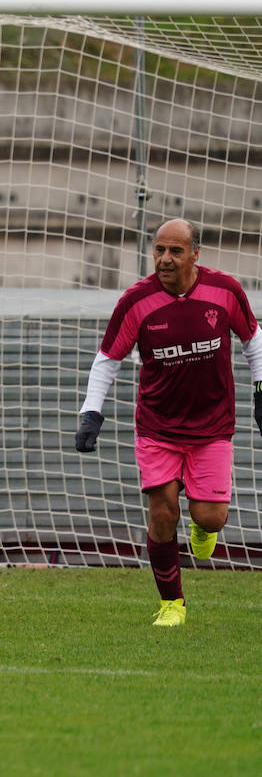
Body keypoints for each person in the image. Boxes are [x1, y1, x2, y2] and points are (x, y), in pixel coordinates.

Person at [75, 218, 262, 627]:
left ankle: (204, 528)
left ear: (195, 254)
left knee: (210, 516)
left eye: (175, 251)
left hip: (212, 426)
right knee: (162, 513)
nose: (165, 259)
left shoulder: (224, 291)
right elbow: (108, 359)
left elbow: (253, 338)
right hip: (158, 427)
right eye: (159, 250)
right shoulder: (136, 301)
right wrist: (91, 412)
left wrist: (261, 388)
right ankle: (172, 604)